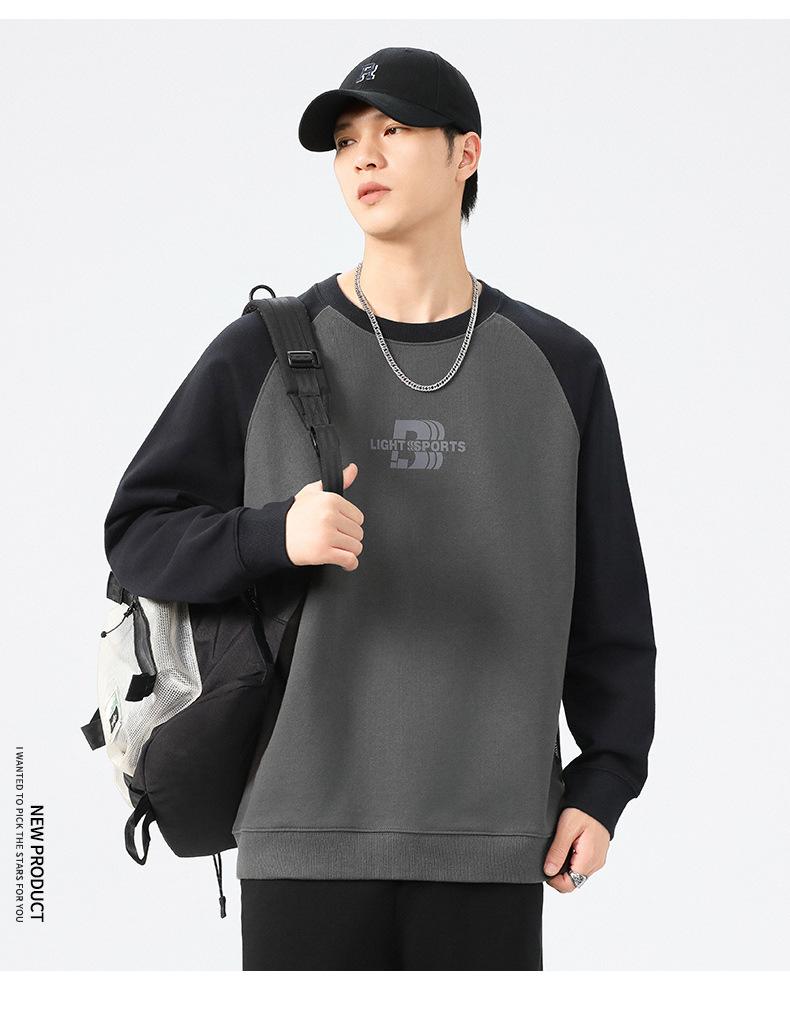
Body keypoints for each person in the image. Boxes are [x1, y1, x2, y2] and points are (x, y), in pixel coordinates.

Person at [104, 46, 656, 971]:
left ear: (466, 153)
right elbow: (136, 535)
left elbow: (612, 610)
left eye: (394, 129)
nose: (363, 154)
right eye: (345, 140)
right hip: (300, 835)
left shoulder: (560, 368)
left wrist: (604, 784)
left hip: (491, 837)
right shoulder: (259, 354)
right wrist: (270, 535)